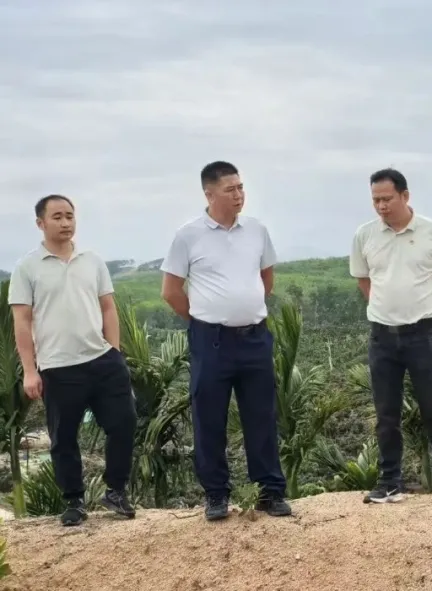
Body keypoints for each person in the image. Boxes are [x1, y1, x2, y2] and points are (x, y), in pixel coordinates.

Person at [160, 161, 291, 521]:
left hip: (255, 338)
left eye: (241, 187)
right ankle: (216, 494)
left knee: (261, 415)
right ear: (209, 193)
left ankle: (270, 492)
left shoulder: (257, 230)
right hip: (211, 341)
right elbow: (171, 291)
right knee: (209, 418)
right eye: (230, 189)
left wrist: (243, 307)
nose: (239, 195)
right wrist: (204, 319)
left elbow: (266, 279)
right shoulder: (188, 235)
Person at [8, 194, 137, 526]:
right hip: (58, 367)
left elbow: (108, 307)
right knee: (64, 438)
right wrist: (30, 371)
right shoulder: (27, 267)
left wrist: (115, 352)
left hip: (103, 361)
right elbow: (22, 321)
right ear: (41, 223)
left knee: (123, 424)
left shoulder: (92, 261)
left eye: (70, 216)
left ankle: (116, 491)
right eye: (57, 217)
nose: (65, 223)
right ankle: (74, 501)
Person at [349, 168, 432, 504]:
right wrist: (386, 309)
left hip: (423, 334)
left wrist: (422, 308)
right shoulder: (365, 235)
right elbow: (364, 280)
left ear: (405, 195)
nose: (381, 206)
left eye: (387, 199)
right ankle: (389, 482)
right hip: (382, 337)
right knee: (386, 413)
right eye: (376, 200)